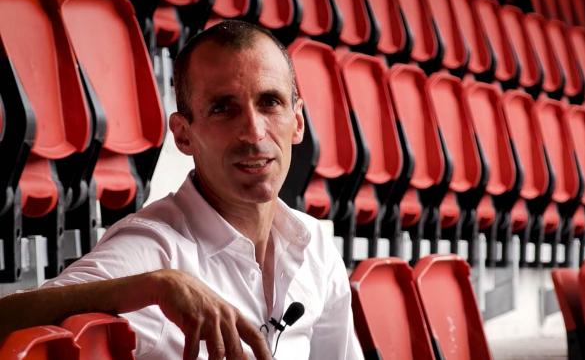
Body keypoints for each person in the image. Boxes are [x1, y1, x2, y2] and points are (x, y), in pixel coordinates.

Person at [0, 20, 363, 360]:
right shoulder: (153, 248)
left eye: (270, 102)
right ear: (183, 134)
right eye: (223, 108)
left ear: (297, 122)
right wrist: (153, 286)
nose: (254, 133)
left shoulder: (314, 243)